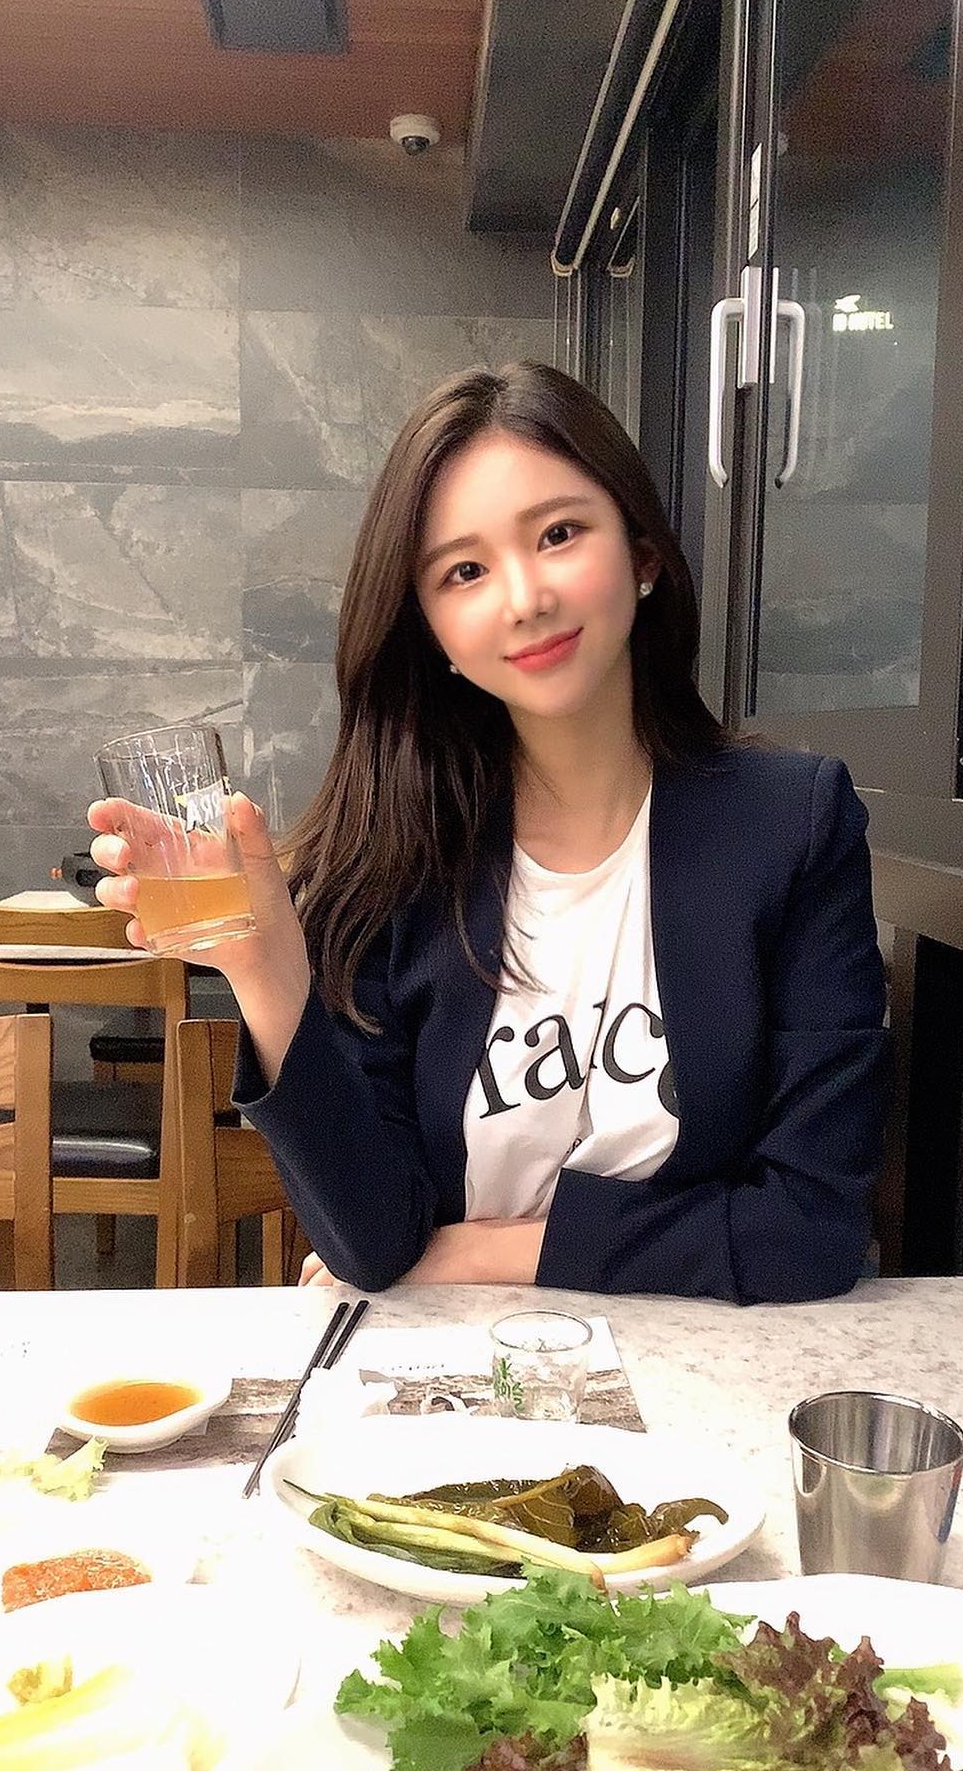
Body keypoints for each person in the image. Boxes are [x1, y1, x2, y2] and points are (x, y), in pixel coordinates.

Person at [88, 361, 889, 1301]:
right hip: (458, 1374)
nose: (524, 598)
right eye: (464, 571)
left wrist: (487, 1251)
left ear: (642, 554)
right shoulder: (391, 863)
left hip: (702, 1367)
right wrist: (266, 969)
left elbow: (810, 1229)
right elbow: (374, 1245)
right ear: (431, 626)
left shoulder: (791, 827)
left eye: (559, 534)